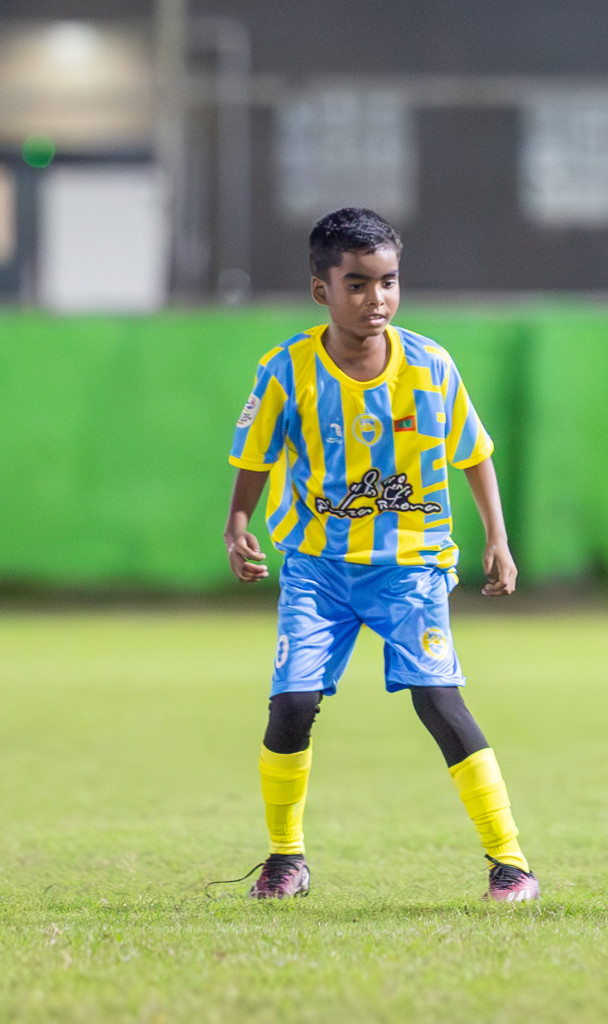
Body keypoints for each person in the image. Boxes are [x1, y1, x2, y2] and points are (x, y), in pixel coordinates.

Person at [223, 207, 538, 902]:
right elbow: (255, 453)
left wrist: (498, 539)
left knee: (438, 699)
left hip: (411, 569)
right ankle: (286, 859)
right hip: (317, 569)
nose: (377, 300)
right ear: (322, 290)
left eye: (388, 282)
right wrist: (238, 521)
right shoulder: (285, 370)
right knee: (292, 704)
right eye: (358, 284)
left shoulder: (430, 366)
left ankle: (511, 863)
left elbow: (474, 455)